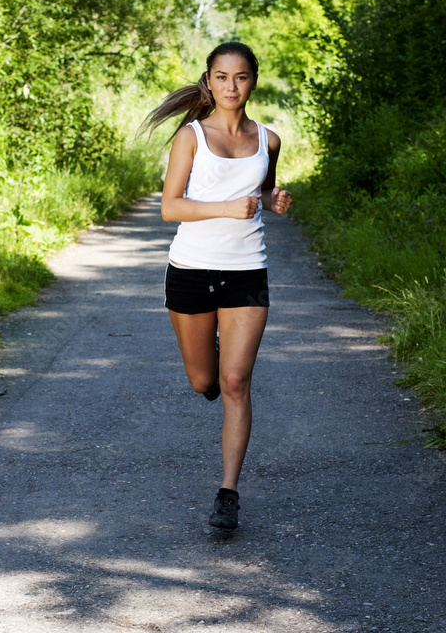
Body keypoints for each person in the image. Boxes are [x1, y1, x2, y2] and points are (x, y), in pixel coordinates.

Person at [141, 41, 292, 530]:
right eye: (222, 77)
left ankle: (228, 493)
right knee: (204, 381)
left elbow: (262, 192)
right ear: (209, 80)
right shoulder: (191, 137)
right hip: (191, 270)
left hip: (247, 270)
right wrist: (227, 207)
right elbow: (171, 207)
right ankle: (215, 358)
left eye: (241, 77)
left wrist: (275, 201)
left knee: (235, 382)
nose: (232, 86)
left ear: (253, 81)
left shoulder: (267, 140)